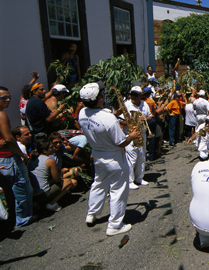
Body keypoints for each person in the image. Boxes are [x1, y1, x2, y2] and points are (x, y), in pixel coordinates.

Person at [78, 82, 140, 236]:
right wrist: (131, 136)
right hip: (114, 159)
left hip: (98, 155)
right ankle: (115, 225)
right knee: (118, 191)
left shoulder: (81, 113)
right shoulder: (107, 117)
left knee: (98, 184)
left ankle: (92, 214)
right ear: (99, 99)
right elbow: (121, 143)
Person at [0, 87, 34, 228]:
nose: (7, 100)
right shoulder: (1, 115)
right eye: (3, 98)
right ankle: (23, 219)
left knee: (9, 191)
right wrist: (21, 154)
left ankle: (13, 220)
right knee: (22, 188)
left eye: (9, 97)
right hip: (9, 157)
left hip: (2, 159)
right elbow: (8, 139)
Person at [28, 140, 78, 212]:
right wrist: (62, 172)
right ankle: (51, 203)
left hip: (33, 194)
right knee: (69, 182)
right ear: (45, 151)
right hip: (43, 193)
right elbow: (57, 179)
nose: (54, 148)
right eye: (51, 147)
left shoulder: (32, 159)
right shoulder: (50, 161)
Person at [121, 86, 152, 189]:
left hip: (142, 134)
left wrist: (145, 119)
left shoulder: (145, 104)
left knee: (141, 157)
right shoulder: (126, 105)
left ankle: (139, 178)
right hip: (131, 134)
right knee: (131, 158)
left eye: (135, 95)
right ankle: (130, 181)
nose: (133, 97)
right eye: (132, 94)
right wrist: (133, 122)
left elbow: (150, 116)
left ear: (140, 96)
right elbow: (120, 120)